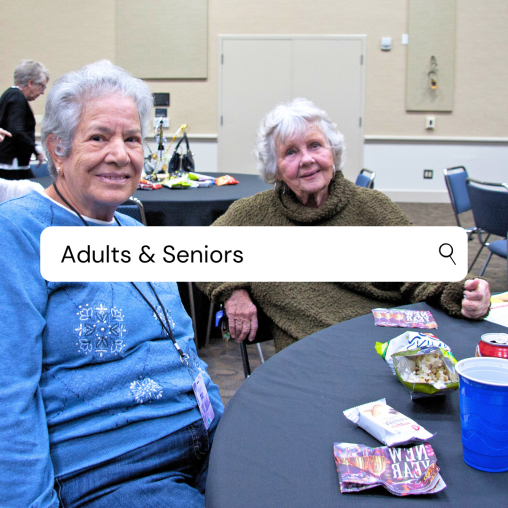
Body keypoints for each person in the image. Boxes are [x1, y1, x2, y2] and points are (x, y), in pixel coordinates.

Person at [0, 61, 223, 508]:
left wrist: (222, 422)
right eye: (99, 137)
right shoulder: (19, 235)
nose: (120, 155)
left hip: (205, 444)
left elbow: (183, 343)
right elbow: (8, 396)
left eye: (132, 139)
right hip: (114, 469)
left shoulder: (134, 233)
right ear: (57, 149)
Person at [197, 98, 490, 353]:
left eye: (315, 145)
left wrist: (465, 291)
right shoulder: (255, 214)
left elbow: (424, 267)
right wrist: (233, 292)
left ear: (333, 152)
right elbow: (197, 252)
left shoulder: (371, 206)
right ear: (276, 169)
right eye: (291, 152)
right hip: (307, 358)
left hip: (383, 345)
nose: (307, 160)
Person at [0, 59, 49, 180]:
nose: (42, 92)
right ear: (30, 83)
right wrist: (35, 148)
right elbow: (16, 130)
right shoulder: (17, 98)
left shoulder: (9, 94)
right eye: (42, 86)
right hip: (12, 164)